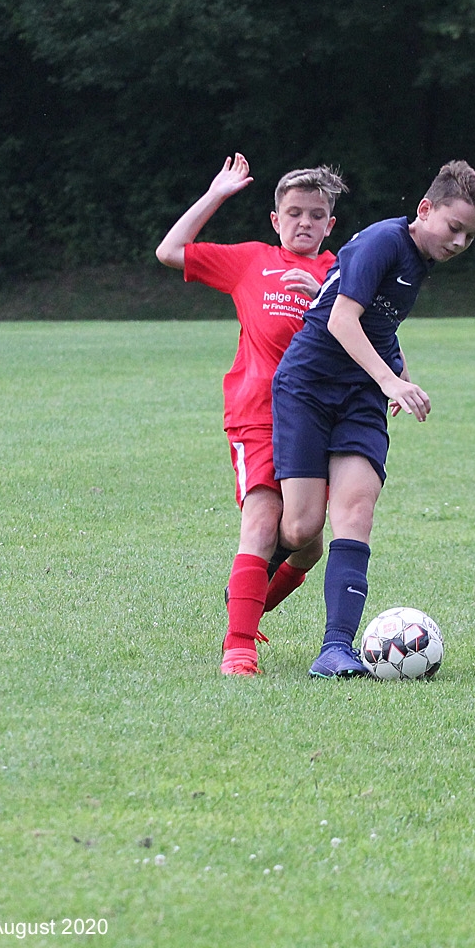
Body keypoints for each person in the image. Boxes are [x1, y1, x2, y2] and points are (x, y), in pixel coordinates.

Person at [272, 160, 475, 678]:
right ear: (425, 209)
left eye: (471, 236)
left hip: (360, 398)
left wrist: (398, 373)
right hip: (307, 387)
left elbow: (377, 318)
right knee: (302, 526)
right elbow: (341, 318)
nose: (460, 242)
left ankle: (335, 649)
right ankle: (246, 598)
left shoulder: (421, 260)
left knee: (355, 509)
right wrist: (391, 380)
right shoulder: (382, 241)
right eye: (454, 227)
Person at [156, 154, 349, 676]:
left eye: (315, 215)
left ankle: (245, 602)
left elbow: (364, 341)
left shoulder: (340, 271)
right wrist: (217, 194)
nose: (304, 223)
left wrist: (325, 301)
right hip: (259, 415)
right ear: (275, 219)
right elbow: (169, 250)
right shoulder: (250, 260)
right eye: (294, 213)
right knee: (262, 525)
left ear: (330, 224)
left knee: (307, 545)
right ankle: (238, 649)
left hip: (319, 420)